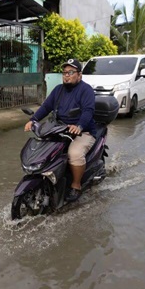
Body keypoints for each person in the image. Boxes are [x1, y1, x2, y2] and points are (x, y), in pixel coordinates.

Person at [24, 58, 96, 202]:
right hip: (59, 129)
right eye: (64, 73)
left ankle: (76, 185)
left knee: (74, 153)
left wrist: (79, 126)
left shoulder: (86, 90)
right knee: (43, 149)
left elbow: (88, 111)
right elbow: (46, 107)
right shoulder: (58, 90)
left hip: (83, 131)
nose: (66, 75)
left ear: (79, 75)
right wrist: (33, 120)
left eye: (71, 72)